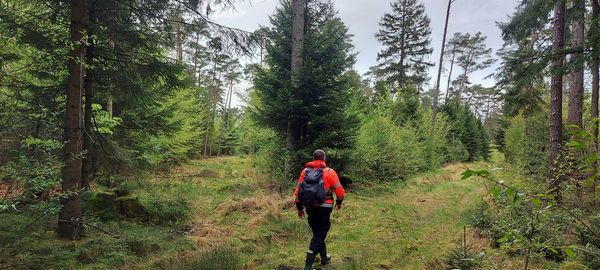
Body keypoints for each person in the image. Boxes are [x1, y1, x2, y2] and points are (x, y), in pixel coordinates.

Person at [294, 149, 345, 270]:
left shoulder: (305, 171)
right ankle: (308, 266)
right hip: (325, 206)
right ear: (324, 159)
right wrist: (339, 202)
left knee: (318, 232)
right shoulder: (329, 172)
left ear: (313, 158)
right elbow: (340, 191)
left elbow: (298, 192)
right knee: (320, 234)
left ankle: (324, 258)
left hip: (309, 206)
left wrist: (299, 209)